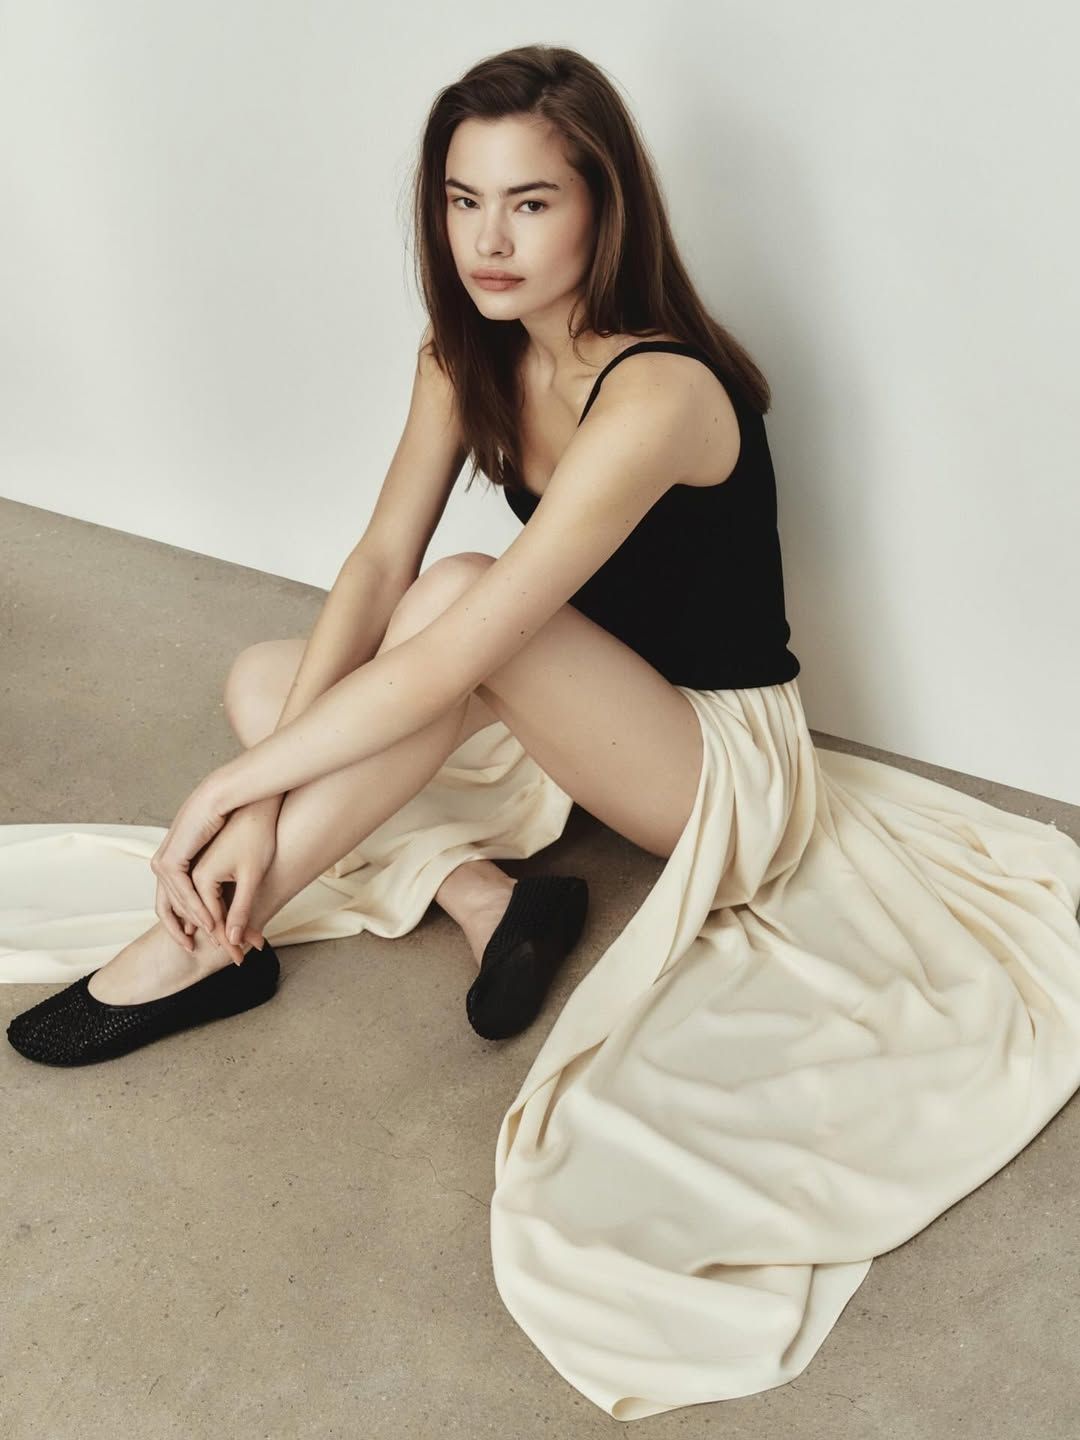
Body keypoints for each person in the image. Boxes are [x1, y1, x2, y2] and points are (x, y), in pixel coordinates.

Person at [6, 44, 1080, 1422]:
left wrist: (232, 804)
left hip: (711, 764)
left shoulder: (662, 392)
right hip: (566, 705)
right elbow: (377, 564)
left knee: (431, 626)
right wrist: (257, 782)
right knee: (269, 682)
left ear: (602, 208)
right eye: (464, 202)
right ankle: (486, 897)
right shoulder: (464, 356)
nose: (489, 241)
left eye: (529, 202)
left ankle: (210, 941)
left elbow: (464, 636)